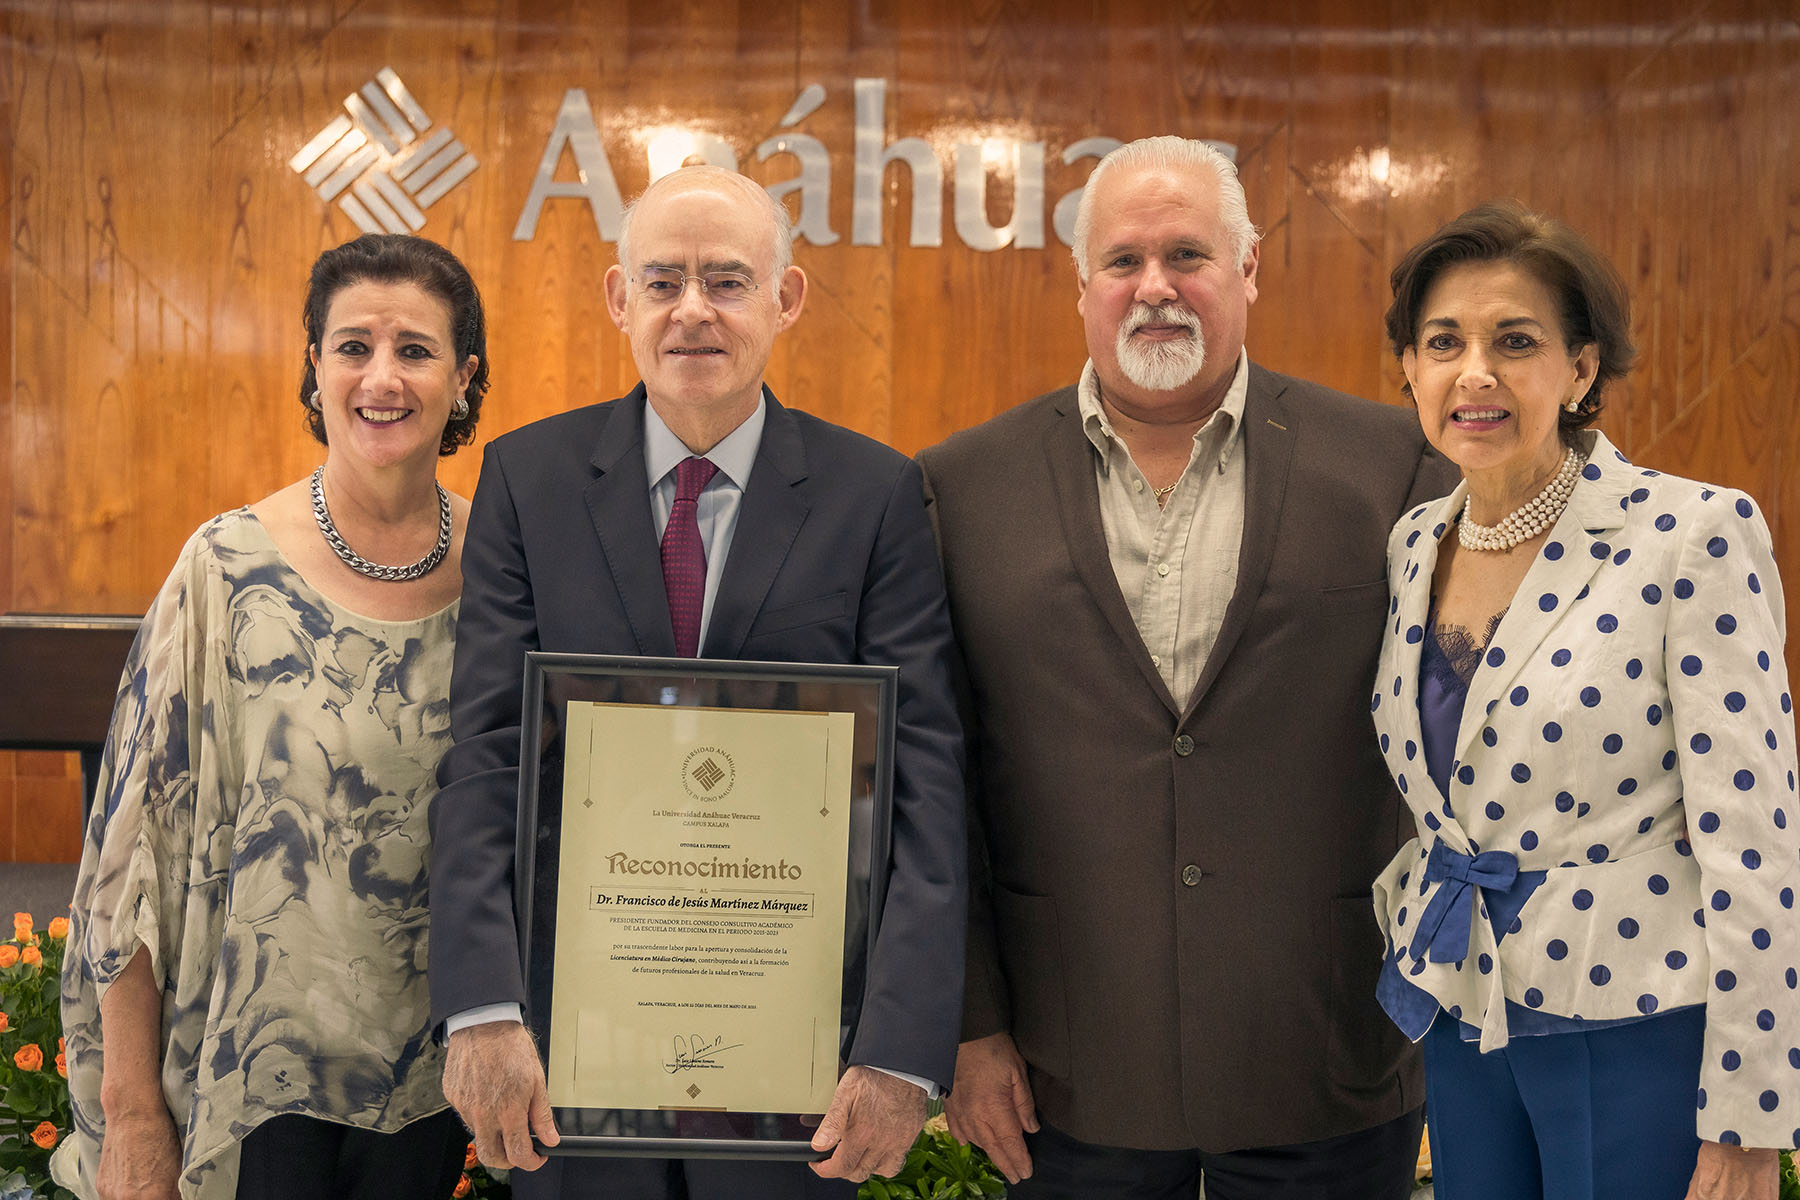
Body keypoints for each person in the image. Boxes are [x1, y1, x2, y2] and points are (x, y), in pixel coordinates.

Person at [916, 135, 1457, 1199]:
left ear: (1248, 272)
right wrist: (972, 1028)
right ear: (1081, 286)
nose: (1154, 287)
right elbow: (940, 785)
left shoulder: (1394, 466)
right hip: (1064, 1070)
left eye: (1188, 257)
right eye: (1123, 261)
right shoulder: (960, 488)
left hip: (1330, 1054)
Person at [427, 164, 965, 1200]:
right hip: (571, 1051)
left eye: (726, 280)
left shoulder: (877, 496)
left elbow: (926, 783)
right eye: (664, 280)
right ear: (619, 300)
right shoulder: (526, 481)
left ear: (786, 298)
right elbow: (487, 755)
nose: (693, 311)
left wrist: (898, 1052)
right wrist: (484, 1007)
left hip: (800, 1059)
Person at [1370, 200, 1800, 1199]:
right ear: (1410, 371)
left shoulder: (1689, 534)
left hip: (1639, 1026)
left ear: (1580, 369)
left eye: (1514, 341)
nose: (1474, 371)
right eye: (1444, 342)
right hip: (1465, 1009)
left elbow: (1756, 841)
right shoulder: (1413, 545)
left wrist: (1747, 1117)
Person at [57, 233, 489, 1200]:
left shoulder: (507, 572)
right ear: (314, 366)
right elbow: (132, 860)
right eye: (353, 346)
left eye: (415, 350)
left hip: (442, 1089)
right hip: (251, 1081)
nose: (382, 377)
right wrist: (131, 1115)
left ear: (463, 377)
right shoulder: (225, 571)